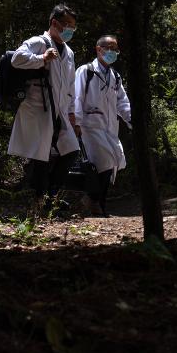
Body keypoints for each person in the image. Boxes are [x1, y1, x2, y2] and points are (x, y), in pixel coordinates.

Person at [7, 4, 80, 211]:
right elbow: (17, 59)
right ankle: (41, 201)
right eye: (67, 25)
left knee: (71, 150)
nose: (70, 30)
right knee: (41, 156)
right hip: (38, 108)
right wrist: (42, 58)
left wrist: (71, 112)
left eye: (73, 27)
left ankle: (51, 194)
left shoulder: (69, 53)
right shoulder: (39, 42)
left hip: (60, 110)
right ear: (54, 23)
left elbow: (70, 85)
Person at [73, 35, 132, 217]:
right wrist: (76, 122)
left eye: (115, 49)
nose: (112, 52)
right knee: (104, 163)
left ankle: (95, 203)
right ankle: (96, 204)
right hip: (90, 126)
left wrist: (131, 120)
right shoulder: (86, 71)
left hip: (110, 127)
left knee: (112, 163)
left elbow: (122, 102)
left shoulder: (115, 76)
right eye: (109, 48)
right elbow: (77, 97)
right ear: (99, 49)